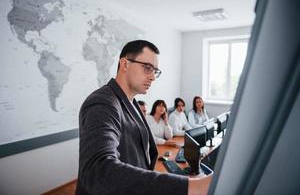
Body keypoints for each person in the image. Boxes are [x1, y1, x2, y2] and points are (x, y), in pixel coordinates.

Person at [75, 40, 211, 195]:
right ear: (124, 64)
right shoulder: (103, 102)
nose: (153, 77)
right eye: (147, 68)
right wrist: (191, 187)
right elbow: (98, 170)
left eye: (155, 71)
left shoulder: (132, 101)